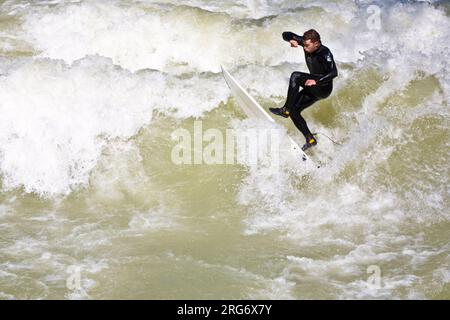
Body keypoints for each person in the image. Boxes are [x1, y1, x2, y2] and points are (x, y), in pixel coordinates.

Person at [269, 29, 338, 151]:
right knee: (294, 110)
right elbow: (285, 34)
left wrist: (317, 81)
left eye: (307, 46)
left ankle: (285, 110)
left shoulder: (325, 53)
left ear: (316, 43)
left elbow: (333, 72)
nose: (304, 48)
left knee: (295, 76)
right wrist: (291, 40)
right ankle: (310, 139)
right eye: (304, 45)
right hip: (313, 87)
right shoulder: (305, 43)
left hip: (323, 87)